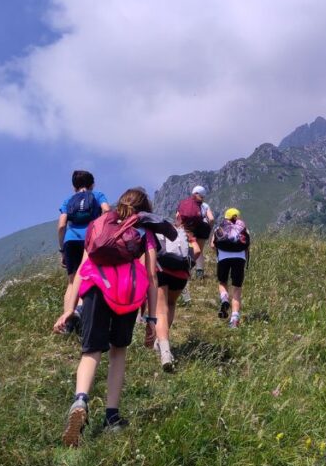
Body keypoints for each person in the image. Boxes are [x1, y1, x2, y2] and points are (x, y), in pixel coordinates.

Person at [52, 187, 166, 447]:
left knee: (91, 351)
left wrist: (70, 308)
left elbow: (82, 267)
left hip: (94, 288)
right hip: (127, 294)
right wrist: (150, 319)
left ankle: (80, 400)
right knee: (118, 352)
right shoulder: (144, 231)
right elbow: (151, 276)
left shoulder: (98, 224)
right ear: (144, 209)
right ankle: (112, 416)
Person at [56, 170, 110, 334]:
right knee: (86, 277)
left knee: (72, 282)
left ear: (74, 187)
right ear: (92, 184)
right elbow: (107, 210)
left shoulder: (68, 200)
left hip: (70, 241)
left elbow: (61, 225)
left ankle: (67, 322)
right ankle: (79, 311)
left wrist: (62, 249)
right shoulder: (98, 194)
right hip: (90, 239)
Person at [144, 215, 193, 371]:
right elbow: (196, 250)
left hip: (161, 269)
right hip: (181, 273)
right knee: (171, 304)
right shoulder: (182, 232)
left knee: (160, 311)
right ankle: (161, 341)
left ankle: (165, 352)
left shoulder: (153, 231)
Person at [211, 207, 251, 328]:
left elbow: (213, 245)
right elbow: (247, 246)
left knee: (222, 282)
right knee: (237, 289)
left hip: (223, 258)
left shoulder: (220, 228)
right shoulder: (244, 229)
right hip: (239, 260)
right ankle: (234, 320)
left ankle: (224, 299)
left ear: (226, 217)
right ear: (238, 217)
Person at [176, 186, 214, 280]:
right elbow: (212, 219)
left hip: (188, 228)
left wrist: (180, 226)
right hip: (202, 228)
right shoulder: (205, 205)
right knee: (199, 251)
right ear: (202, 195)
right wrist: (210, 227)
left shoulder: (184, 204)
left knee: (189, 250)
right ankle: (199, 273)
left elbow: (177, 216)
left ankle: (186, 272)